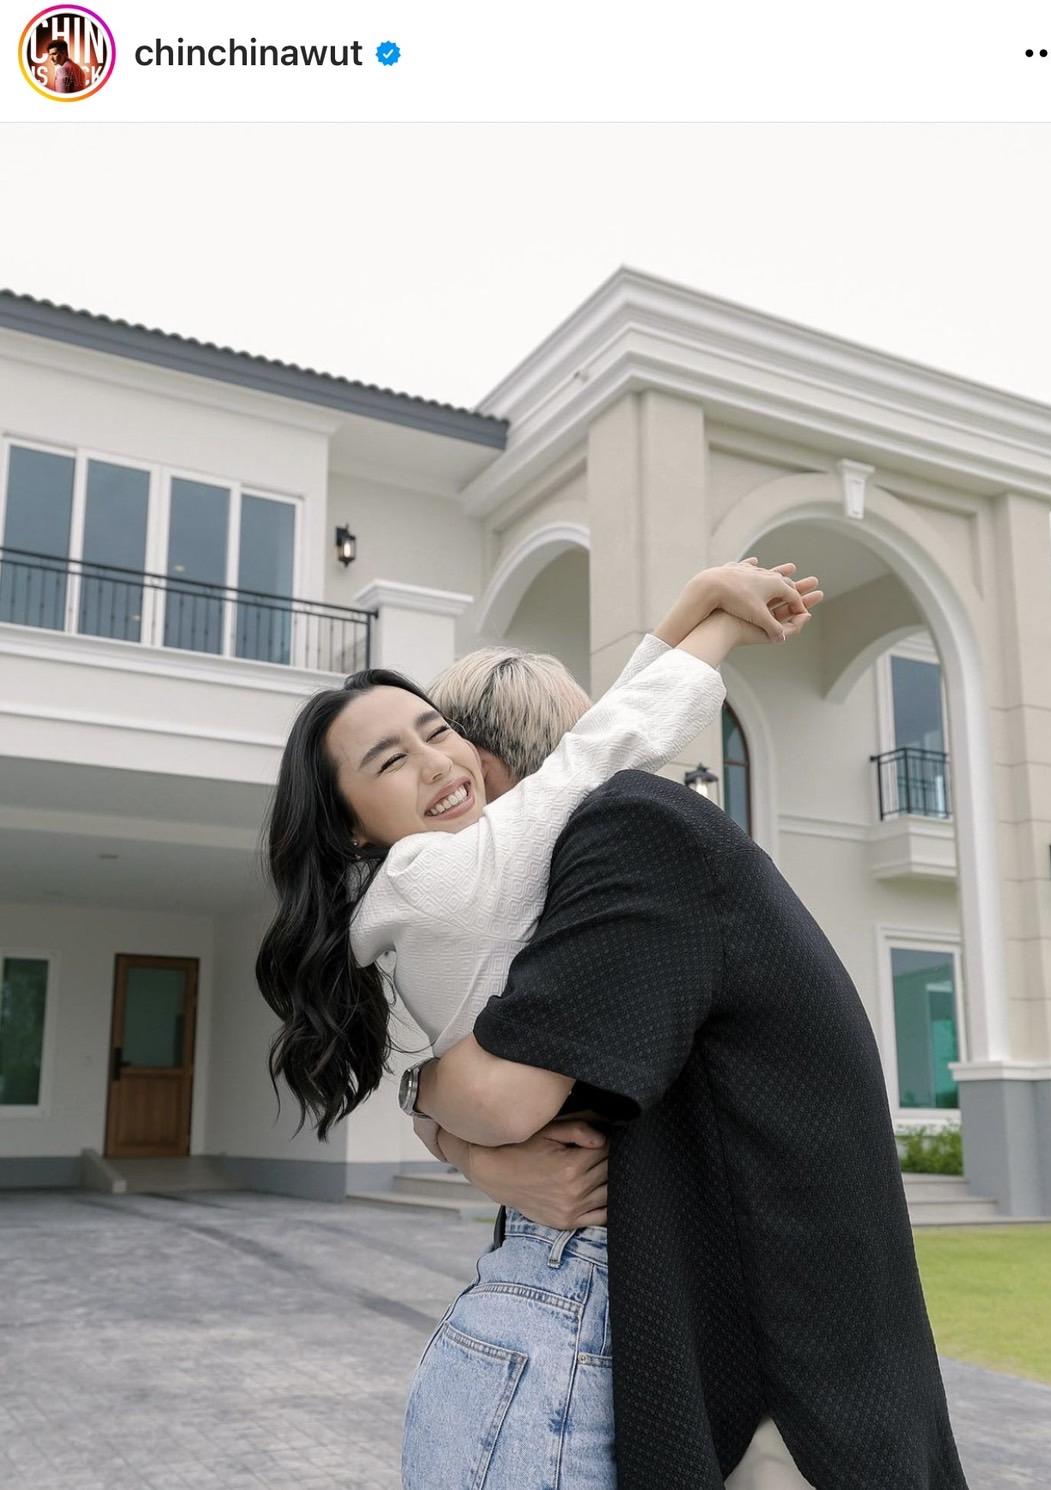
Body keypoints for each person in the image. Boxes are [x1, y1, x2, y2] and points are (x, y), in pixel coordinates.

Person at [256, 557, 814, 1488]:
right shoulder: (436, 878)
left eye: (436, 732)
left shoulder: (466, 875)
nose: (437, 764)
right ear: (351, 825)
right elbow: (593, 758)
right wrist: (720, 622)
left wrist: (697, 599)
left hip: (548, 1305)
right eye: (390, 761)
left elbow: (580, 757)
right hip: (560, 1313)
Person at [398, 648, 972, 1488]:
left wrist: (420, 1093)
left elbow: (501, 1096)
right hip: (765, 1352)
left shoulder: (631, 829)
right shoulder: (619, 846)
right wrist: (470, 1148)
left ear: (480, 771)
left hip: (788, 1396)